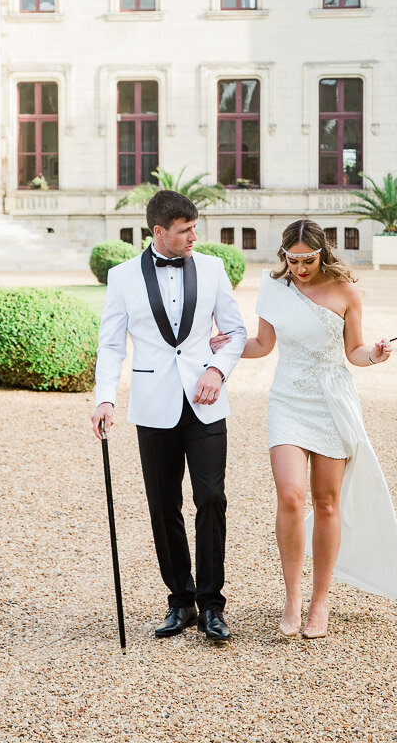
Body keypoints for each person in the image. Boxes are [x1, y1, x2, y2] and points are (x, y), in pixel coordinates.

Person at [211, 218, 397, 639]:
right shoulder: (273, 287)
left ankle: (320, 602)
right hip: (287, 398)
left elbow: (354, 353)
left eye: (308, 259)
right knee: (289, 496)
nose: (299, 267)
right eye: (292, 258)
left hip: (331, 400)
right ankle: (292, 598)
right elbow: (263, 345)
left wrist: (375, 355)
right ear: (283, 254)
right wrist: (224, 345)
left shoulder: (346, 292)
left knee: (325, 502)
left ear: (323, 253)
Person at [92, 190, 246, 643]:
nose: (195, 236)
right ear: (158, 232)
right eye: (185, 230)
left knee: (211, 498)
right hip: (152, 404)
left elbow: (235, 331)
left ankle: (212, 604)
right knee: (163, 506)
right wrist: (105, 399)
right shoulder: (121, 278)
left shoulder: (213, 269)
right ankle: (180, 601)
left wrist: (218, 370)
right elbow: (111, 345)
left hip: (205, 402)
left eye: (195, 227)